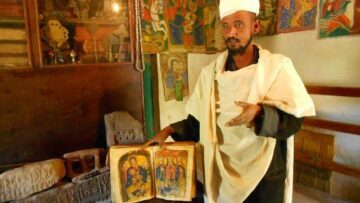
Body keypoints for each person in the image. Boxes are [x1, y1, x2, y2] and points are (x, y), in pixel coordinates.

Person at [146, 0, 315, 202]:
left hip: (264, 175)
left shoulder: (277, 68)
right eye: (225, 26)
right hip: (221, 173)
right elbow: (197, 123)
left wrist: (260, 113)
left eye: (238, 25)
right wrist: (166, 132)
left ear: (255, 26)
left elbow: (294, 121)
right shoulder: (210, 75)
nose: (231, 32)